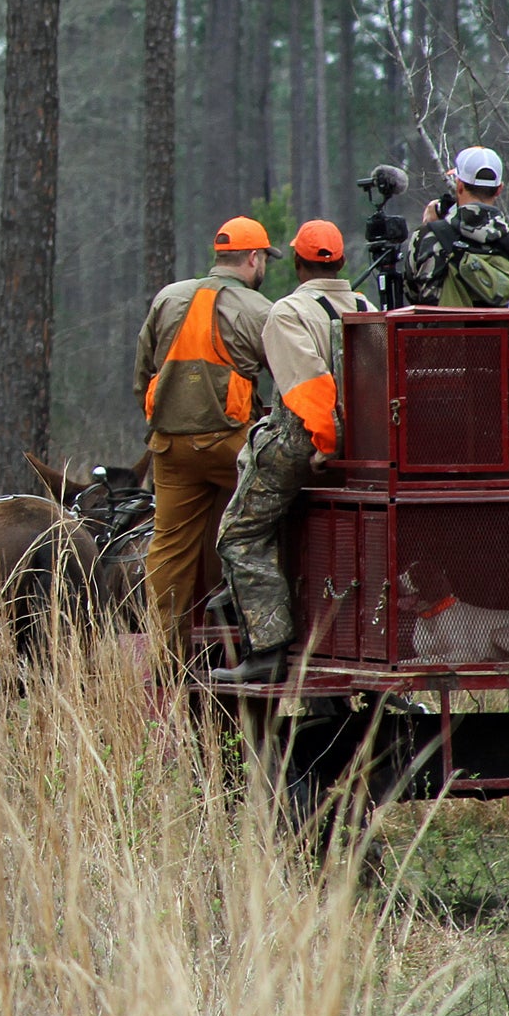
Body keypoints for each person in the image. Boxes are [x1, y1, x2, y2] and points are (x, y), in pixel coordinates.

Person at [211, 221, 374, 684]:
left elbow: (310, 393)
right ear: (341, 262)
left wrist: (326, 448)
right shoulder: (367, 307)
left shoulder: (288, 312)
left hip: (307, 440)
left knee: (238, 534)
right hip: (366, 444)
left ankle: (265, 650)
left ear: (299, 265)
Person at [133, 216, 277, 658]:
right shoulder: (259, 310)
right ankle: (265, 638)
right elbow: (292, 382)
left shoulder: (167, 298)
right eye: (264, 260)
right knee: (276, 517)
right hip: (229, 449)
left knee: (169, 548)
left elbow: (143, 375)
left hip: (170, 448)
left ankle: (167, 652)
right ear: (254, 259)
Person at [402, 145, 509, 307]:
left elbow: (411, 293)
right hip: (500, 333)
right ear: (499, 190)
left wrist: (431, 229)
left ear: (459, 185)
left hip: (446, 332)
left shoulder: (427, 236)